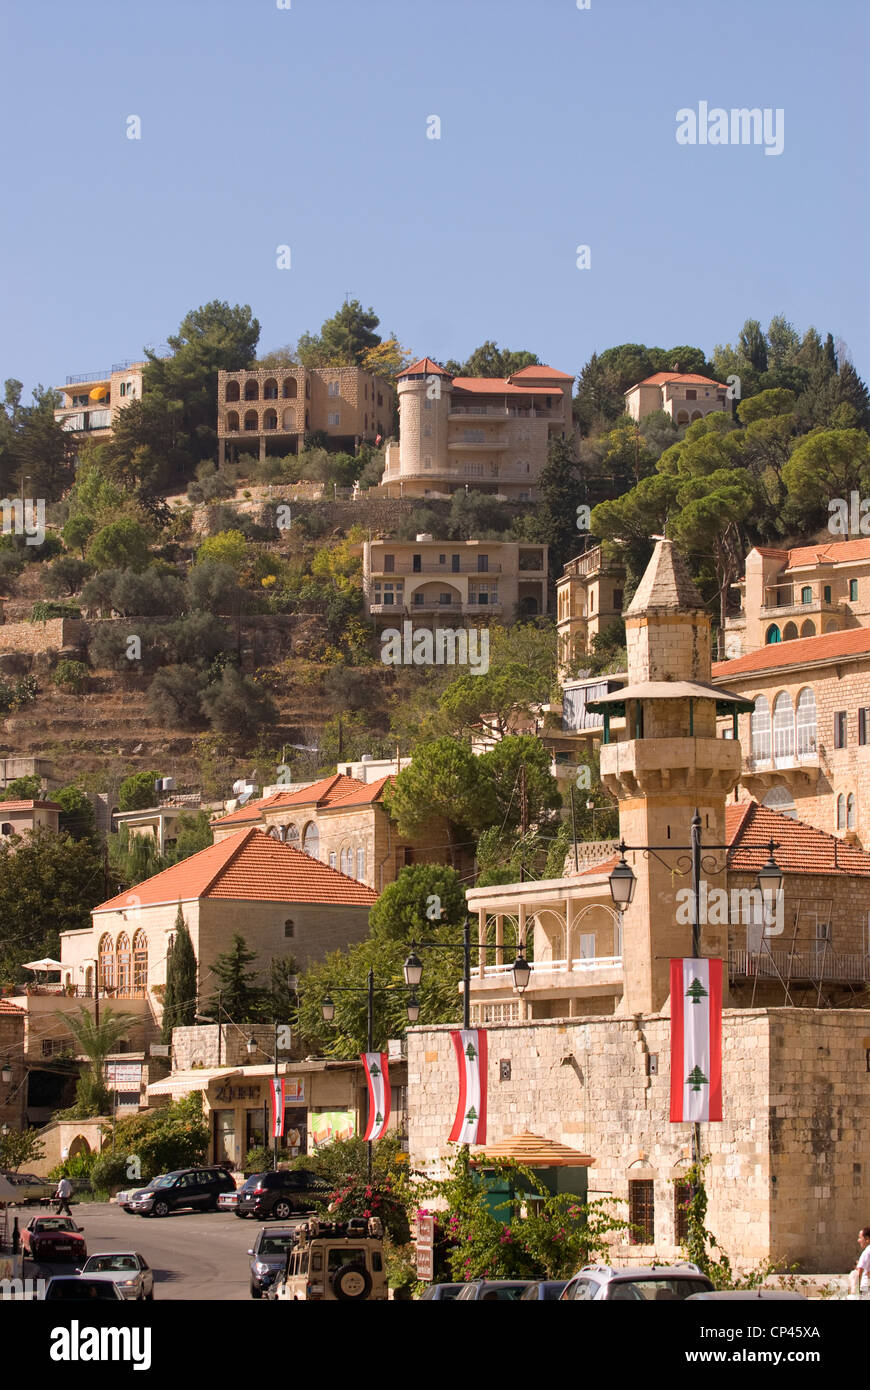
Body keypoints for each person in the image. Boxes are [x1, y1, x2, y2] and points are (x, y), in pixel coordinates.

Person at [848, 1227, 870, 1298]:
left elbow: (859, 1271)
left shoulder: (867, 1252)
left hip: (866, 1287)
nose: (858, 1240)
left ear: (867, 1239)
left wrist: (854, 1289)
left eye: (860, 1238)